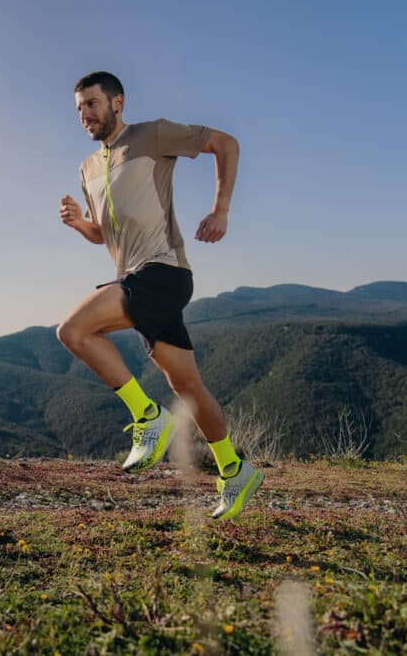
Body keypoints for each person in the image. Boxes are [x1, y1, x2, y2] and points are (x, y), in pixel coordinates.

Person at [57, 70, 263, 520]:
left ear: (118, 103)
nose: (84, 115)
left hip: (163, 273)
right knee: (186, 386)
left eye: (92, 104)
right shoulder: (88, 168)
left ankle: (148, 419)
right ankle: (235, 469)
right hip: (136, 277)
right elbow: (103, 234)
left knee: (73, 331)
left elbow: (226, 143)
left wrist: (220, 210)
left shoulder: (152, 135)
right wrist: (79, 223)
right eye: (78, 108)